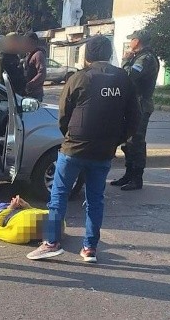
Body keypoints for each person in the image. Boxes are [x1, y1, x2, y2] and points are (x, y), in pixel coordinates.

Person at [27, 35, 139, 263]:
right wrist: (115, 141)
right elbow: (134, 119)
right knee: (95, 200)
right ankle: (89, 248)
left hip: (74, 149)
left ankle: (51, 242)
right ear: (109, 54)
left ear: (87, 55)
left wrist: (70, 137)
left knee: (58, 195)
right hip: (103, 151)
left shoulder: (79, 78)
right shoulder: (123, 79)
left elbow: (63, 115)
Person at [112, 30, 160, 191]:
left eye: (131, 39)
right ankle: (128, 174)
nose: (130, 42)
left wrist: (125, 60)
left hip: (141, 105)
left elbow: (129, 75)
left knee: (136, 142)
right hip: (133, 104)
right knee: (128, 141)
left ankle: (136, 178)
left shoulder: (146, 59)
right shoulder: (139, 57)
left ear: (137, 41)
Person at [23, 32, 47, 101]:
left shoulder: (38, 54)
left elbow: (42, 73)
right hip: (28, 93)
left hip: (35, 94)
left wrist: (29, 85)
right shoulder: (28, 54)